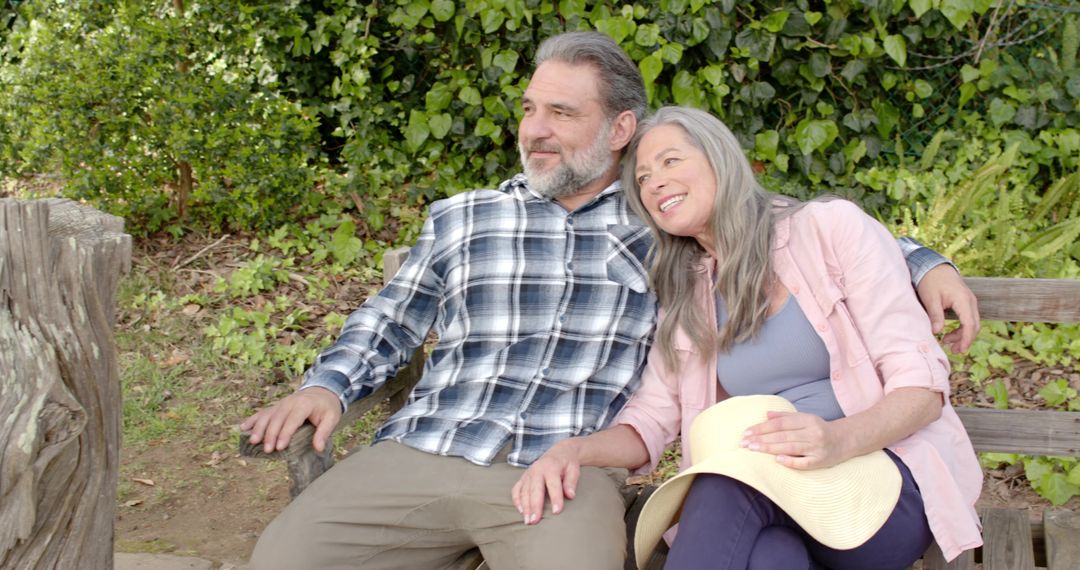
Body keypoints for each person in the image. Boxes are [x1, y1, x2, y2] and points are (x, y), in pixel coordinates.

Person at [242, 32, 979, 569]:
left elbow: (778, 222)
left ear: (619, 128)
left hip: (566, 470)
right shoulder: (467, 216)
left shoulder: (662, 225)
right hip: (430, 445)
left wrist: (923, 259)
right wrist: (328, 383)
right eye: (531, 110)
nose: (536, 130)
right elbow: (392, 314)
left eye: (562, 113)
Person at [511, 106, 982, 569]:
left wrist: (837, 439)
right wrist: (573, 449)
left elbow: (922, 391)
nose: (654, 182)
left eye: (671, 161)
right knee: (771, 556)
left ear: (720, 159)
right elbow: (651, 419)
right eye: (643, 178)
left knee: (723, 481)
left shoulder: (827, 230)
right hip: (773, 502)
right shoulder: (686, 295)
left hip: (878, 486)